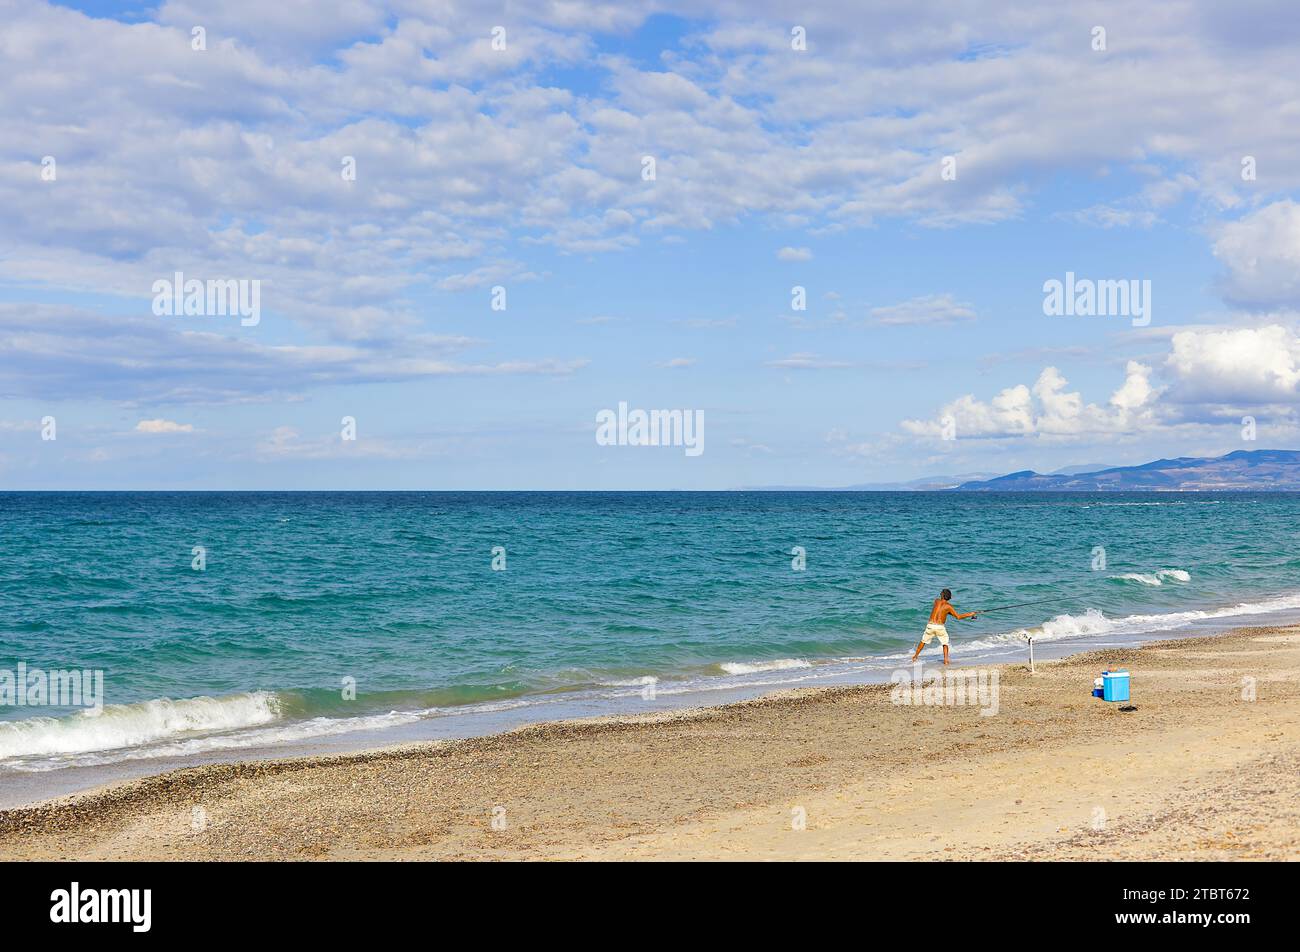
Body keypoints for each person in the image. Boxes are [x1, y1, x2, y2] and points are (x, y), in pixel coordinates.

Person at [910, 588, 978, 665]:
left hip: (930, 625)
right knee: (945, 643)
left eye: (941, 593)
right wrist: (970, 614)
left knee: (923, 641)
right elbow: (958, 617)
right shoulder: (949, 606)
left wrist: (947, 612)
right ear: (949, 597)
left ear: (942, 595)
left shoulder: (936, 601)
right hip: (940, 627)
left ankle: (915, 656)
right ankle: (946, 660)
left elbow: (940, 610)